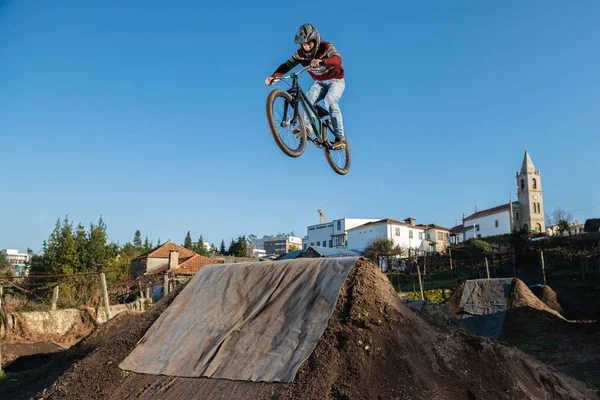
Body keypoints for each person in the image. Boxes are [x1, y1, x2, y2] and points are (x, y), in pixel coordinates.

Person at [265, 23, 347, 148]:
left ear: (316, 40)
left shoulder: (326, 47)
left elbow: (337, 59)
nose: (307, 47)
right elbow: (287, 65)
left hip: (335, 80)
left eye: (309, 43)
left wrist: (323, 61)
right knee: (308, 99)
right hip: (319, 82)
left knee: (330, 100)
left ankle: (340, 138)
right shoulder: (300, 54)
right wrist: (273, 76)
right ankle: (307, 130)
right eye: (304, 44)